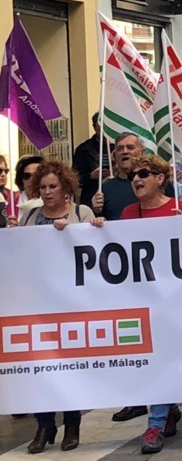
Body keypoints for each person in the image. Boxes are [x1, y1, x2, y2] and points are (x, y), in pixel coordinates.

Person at [9, 161, 103, 453]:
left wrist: (83, 227)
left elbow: (93, 248)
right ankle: (44, 423)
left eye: (54, 187)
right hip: (36, 303)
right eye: (44, 187)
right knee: (40, 366)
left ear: (65, 188)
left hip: (71, 303)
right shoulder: (31, 217)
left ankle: (71, 424)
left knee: (70, 365)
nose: (48, 192)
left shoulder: (80, 212)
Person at [116, 154, 182, 454]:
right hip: (143, 302)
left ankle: (155, 424)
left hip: (176, 302)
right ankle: (168, 409)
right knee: (154, 363)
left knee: (162, 360)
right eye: (133, 175)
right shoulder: (127, 213)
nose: (136, 179)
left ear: (161, 178)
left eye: (144, 173)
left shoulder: (181, 209)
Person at [71, 112, 105, 206]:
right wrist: (90, 176)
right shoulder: (83, 149)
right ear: (94, 127)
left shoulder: (120, 147)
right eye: (99, 130)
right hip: (91, 195)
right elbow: (74, 179)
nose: (103, 134)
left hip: (114, 194)